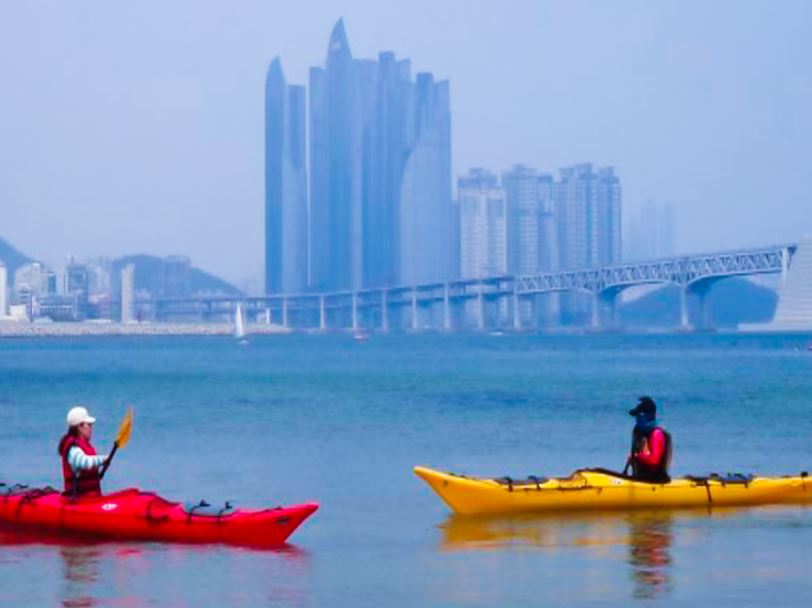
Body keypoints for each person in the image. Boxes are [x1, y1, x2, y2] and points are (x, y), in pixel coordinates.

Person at [57, 406, 108, 498]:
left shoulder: (85, 445)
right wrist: (102, 459)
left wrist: (103, 465)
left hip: (91, 496)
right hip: (78, 498)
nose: (91, 428)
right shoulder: (73, 448)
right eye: (89, 425)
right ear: (80, 427)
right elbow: (84, 462)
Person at [624, 397, 672, 483]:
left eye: (640, 416)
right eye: (636, 416)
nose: (637, 419)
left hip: (656, 481)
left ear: (649, 416)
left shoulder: (656, 434)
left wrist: (636, 456)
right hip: (641, 479)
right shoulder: (641, 432)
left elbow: (654, 460)